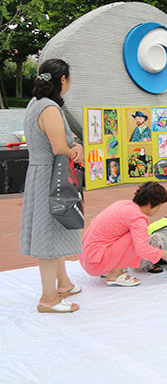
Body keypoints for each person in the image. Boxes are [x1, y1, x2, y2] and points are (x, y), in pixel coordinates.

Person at [20, 59, 84, 313]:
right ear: (63, 80)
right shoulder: (50, 108)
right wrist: (76, 149)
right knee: (48, 235)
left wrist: (73, 145)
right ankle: (48, 298)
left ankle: (63, 283)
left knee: (53, 231)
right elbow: (60, 148)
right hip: (52, 175)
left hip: (42, 173)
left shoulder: (36, 104)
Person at [80, 182, 167, 287]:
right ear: (150, 204)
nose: (158, 209)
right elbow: (142, 249)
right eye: (159, 206)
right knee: (136, 238)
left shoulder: (123, 204)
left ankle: (111, 268)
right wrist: (164, 253)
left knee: (131, 234)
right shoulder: (137, 218)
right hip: (95, 264)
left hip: (86, 257)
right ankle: (115, 275)